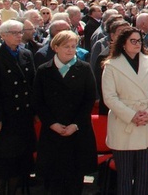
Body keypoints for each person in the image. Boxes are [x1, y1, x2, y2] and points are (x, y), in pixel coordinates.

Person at [101, 26, 148, 195]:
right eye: (133, 41)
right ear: (123, 43)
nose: (137, 44)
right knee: (124, 176)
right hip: (123, 123)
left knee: (144, 175)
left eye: (139, 40)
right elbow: (109, 97)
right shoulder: (111, 66)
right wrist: (132, 116)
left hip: (146, 122)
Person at [32, 31, 97, 195]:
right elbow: (38, 101)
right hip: (53, 131)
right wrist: (52, 123)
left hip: (77, 130)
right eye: (66, 46)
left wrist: (75, 125)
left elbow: (89, 100)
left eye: (73, 46)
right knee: (54, 180)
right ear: (55, 47)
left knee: (75, 179)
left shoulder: (84, 68)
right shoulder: (44, 70)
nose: (70, 50)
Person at [0, 20, 37, 195]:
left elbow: (32, 84)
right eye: (14, 33)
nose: (18, 36)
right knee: (4, 162)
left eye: (20, 32)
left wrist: (34, 112)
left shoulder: (26, 54)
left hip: (23, 116)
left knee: (19, 162)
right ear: (3, 35)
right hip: (5, 118)